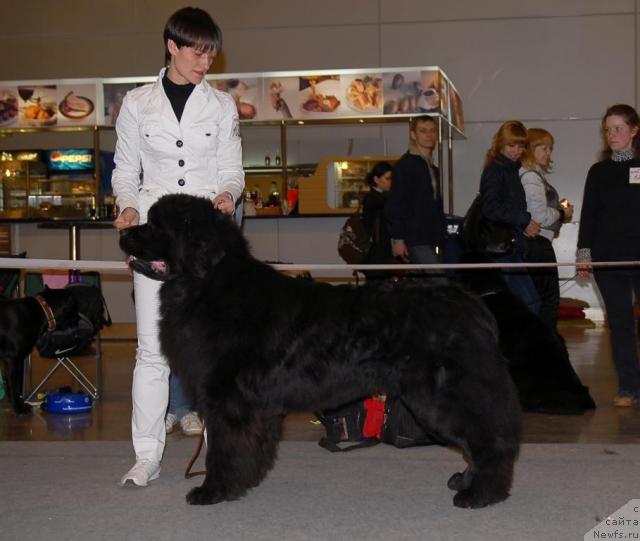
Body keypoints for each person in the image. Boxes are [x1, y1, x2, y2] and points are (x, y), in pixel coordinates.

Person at [112, 7, 244, 486]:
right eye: (198, 51)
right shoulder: (137, 103)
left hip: (207, 243)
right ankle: (146, 455)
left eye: (212, 53)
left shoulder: (222, 106)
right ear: (172, 45)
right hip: (157, 234)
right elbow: (125, 170)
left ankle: (220, 455)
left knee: (213, 349)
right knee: (151, 349)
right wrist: (127, 206)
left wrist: (229, 193)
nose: (206, 61)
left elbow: (233, 168)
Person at [576, 104, 640, 407]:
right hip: (609, 260)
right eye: (607, 129)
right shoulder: (598, 172)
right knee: (620, 322)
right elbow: (588, 216)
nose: (612, 134)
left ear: (634, 130)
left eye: (618, 128)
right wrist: (584, 255)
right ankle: (628, 386)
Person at [479, 120, 541, 312]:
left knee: (526, 304)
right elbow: (490, 207)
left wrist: (524, 223)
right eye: (511, 145)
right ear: (500, 144)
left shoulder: (509, 170)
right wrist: (525, 220)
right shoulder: (495, 170)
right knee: (526, 304)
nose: (516, 150)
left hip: (509, 247)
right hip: (501, 251)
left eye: (520, 146)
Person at [520, 128, 574, 332]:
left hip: (537, 244)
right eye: (543, 147)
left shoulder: (534, 175)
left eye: (550, 148)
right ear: (530, 148)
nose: (548, 153)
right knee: (548, 301)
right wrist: (562, 212)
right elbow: (539, 216)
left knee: (541, 300)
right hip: (537, 245)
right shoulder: (531, 176)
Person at [385, 115, 445, 276]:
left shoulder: (433, 168)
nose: (429, 135)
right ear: (413, 134)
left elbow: (435, 206)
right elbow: (395, 205)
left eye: (432, 131)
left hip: (430, 237)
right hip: (414, 238)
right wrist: (398, 239)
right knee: (439, 282)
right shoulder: (404, 166)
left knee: (423, 288)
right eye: (423, 131)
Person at [361, 161, 393, 280]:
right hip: (376, 251)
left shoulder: (378, 197)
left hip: (377, 250)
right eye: (388, 178)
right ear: (376, 179)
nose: (391, 182)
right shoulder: (374, 199)